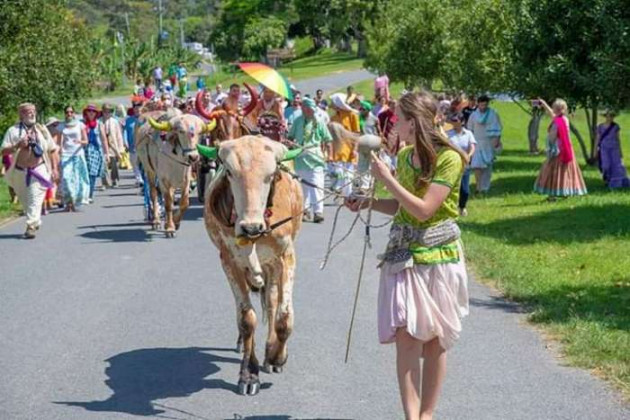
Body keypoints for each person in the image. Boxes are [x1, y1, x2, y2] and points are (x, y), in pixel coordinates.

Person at [345, 91, 468, 420]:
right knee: (406, 335)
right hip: (404, 256)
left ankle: (427, 414)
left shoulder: (449, 158)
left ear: (413, 123)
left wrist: (386, 179)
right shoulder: (405, 156)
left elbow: (425, 210)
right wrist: (369, 202)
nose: (393, 123)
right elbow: (401, 207)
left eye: (398, 117)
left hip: (439, 257)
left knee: (434, 341)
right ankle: (411, 417)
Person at [1, 103, 60, 239]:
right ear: (21, 114)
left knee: (34, 198)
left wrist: (55, 169)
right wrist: (17, 145)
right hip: (20, 172)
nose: (32, 114)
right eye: (28, 112)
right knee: (26, 201)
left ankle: (31, 226)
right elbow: (3, 151)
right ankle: (35, 219)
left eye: (33, 111)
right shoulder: (13, 131)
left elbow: (52, 150)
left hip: (39, 170)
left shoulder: (41, 130)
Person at [288, 97, 333, 223]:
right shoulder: (297, 121)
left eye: (312, 109)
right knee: (302, 187)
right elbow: (290, 136)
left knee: (316, 185)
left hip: (315, 158)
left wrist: (330, 155)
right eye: (308, 109)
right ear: (303, 108)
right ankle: (304, 211)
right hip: (300, 157)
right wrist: (290, 143)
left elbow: (328, 140)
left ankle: (318, 212)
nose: (310, 111)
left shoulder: (319, 121)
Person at [534, 98, 587, 199]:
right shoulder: (563, 119)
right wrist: (544, 104)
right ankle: (565, 192)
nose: (553, 109)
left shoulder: (558, 121)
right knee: (565, 171)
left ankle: (552, 195)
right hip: (566, 150)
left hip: (558, 151)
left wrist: (548, 148)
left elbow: (552, 137)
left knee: (552, 171)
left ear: (557, 109)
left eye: (554, 107)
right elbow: (552, 114)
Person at [466, 95, 501, 194]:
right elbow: (469, 129)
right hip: (477, 141)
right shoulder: (474, 115)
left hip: (489, 142)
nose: (483, 107)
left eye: (485, 105)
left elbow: (498, 128)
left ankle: (485, 186)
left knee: (487, 166)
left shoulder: (493, 114)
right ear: (478, 104)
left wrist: (497, 140)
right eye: (481, 105)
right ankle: (478, 187)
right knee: (477, 165)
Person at [58, 105, 90, 211]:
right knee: (66, 178)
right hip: (66, 155)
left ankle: (75, 203)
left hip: (78, 154)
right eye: (67, 112)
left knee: (77, 179)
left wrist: (79, 142)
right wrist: (59, 152)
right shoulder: (61, 126)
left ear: (74, 113)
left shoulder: (80, 125)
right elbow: (59, 142)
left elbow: (86, 141)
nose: (69, 114)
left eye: (71, 112)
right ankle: (68, 201)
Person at [330, 92, 360, 196]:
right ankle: (339, 191)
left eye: (333, 102)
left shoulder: (352, 115)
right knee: (338, 172)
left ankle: (347, 196)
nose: (331, 104)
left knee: (348, 175)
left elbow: (356, 133)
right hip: (336, 150)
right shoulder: (333, 118)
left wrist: (355, 149)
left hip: (349, 149)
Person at [447, 113, 476, 216]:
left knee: (465, 190)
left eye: (456, 120)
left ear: (462, 122)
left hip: (464, 164)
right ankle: (450, 208)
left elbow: (472, 146)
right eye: (453, 120)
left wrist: (469, 155)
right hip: (451, 164)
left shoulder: (468, 134)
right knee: (450, 188)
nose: (454, 123)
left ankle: (462, 206)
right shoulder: (448, 134)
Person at [596, 110, 630, 189]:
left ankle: (614, 182)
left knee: (616, 166)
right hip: (604, 149)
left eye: (612, 116)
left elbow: (618, 139)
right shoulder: (600, 126)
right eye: (608, 116)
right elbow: (598, 139)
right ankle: (607, 178)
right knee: (606, 165)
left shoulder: (616, 126)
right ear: (605, 116)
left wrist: (620, 151)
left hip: (614, 149)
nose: (610, 118)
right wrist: (595, 150)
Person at [83, 104, 108, 202]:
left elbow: (104, 139)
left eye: (93, 111)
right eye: (89, 111)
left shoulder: (99, 124)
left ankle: (89, 194)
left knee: (92, 174)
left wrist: (106, 153)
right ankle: (84, 193)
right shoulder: (82, 124)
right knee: (84, 173)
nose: (91, 113)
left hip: (95, 151)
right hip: (84, 150)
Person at [101, 104, 124, 188]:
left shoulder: (114, 122)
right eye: (105, 111)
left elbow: (119, 135)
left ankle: (114, 179)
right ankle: (105, 182)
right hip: (103, 146)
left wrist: (120, 148)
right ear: (102, 112)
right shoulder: (99, 121)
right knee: (103, 165)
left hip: (113, 146)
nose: (107, 113)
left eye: (109, 111)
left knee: (114, 165)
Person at [125, 100, 144, 186]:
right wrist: (125, 142)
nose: (137, 110)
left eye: (139, 108)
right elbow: (125, 131)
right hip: (132, 145)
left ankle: (144, 178)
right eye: (135, 108)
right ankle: (139, 179)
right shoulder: (129, 120)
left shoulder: (145, 118)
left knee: (143, 163)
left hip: (143, 145)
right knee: (134, 162)